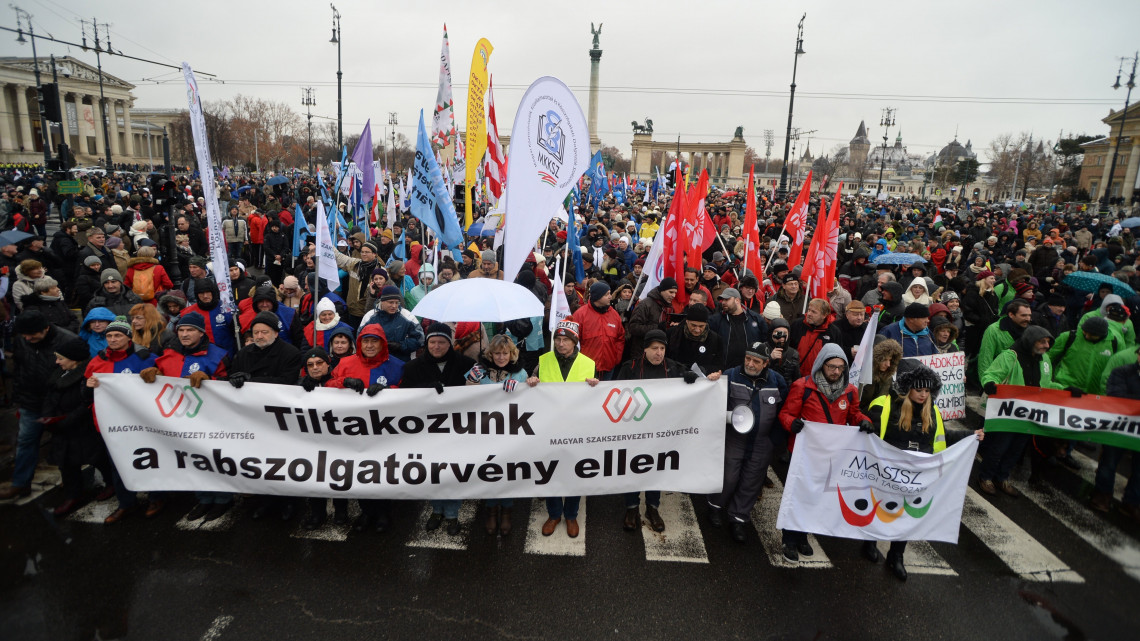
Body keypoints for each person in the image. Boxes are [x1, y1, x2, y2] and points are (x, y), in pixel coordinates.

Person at [864, 361, 984, 581]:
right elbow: (867, 426)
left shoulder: (933, 410)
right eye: (919, 390)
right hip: (887, 471)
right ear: (907, 387)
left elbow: (943, 437)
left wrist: (970, 435)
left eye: (927, 390)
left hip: (916, 475)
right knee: (878, 507)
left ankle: (896, 556)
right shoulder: (884, 404)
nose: (923, 395)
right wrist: (866, 424)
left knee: (906, 514)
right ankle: (869, 542)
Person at [777, 343, 871, 561]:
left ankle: (803, 536)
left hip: (831, 456)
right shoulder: (803, 386)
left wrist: (864, 421)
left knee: (817, 497)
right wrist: (792, 424)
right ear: (821, 364)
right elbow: (785, 414)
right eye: (831, 367)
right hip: (803, 454)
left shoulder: (850, 391)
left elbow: (854, 414)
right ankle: (789, 539)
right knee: (798, 496)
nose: (836, 371)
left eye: (840, 367)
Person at [613, 329, 709, 533]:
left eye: (662, 348)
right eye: (654, 348)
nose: (659, 353)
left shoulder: (673, 368)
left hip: (661, 434)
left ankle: (652, 508)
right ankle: (631, 508)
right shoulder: (629, 368)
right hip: (634, 432)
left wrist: (693, 379)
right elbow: (613, 395)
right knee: (632, 469)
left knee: (655, 470)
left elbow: (699, 385)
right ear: (645, 349)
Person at [141, 312, 232, 521]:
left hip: (211, 420)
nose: (184, 334)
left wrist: (211, 380)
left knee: (214, 460)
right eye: (181, 330)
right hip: (180, 420)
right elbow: (161, 377)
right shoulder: (169, 353)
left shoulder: (218, 355)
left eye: (189, 330)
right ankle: (203, 499)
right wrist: (153, 373)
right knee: (193, 460)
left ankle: (222, 500)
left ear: (201, 333)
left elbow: (229, 387)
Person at [325, 324, 406, 532]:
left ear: (382, 343)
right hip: (353, 430)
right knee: (359, 471)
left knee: (382, 472)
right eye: (366, 341)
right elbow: (327, 386)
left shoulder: (397, 365)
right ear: (359, 343)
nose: (369, 345)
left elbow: (408, 393)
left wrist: (390, 390)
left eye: (374, 341)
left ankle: (383, 513)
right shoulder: (345, 363)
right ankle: (366, 511)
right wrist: (344, 381)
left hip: (384, 431)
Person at [526, 320, 600, 538]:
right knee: (550, 473)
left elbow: (596, 398)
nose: (560, 344)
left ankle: (571, 514)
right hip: (549, 429)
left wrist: (596, 385)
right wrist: (531, 381)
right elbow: (533, 384)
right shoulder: (543, 361)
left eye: (565, 340)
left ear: (574, 342)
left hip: (577, 430)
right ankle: (554, 513)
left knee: (575, 473)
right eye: (557, 339)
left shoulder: (589, 363)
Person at [227, 312, 304, 521]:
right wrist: (235, 379)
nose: (259, 336)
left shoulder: (290, 353)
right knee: (261, 462)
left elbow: (286, 383)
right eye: (256, 332)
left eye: (264, 332)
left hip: (281, 418)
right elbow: (232, 378)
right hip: (253, 419)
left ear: (276, 333)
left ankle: (289, 501)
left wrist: (252, 380)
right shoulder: (243, 354)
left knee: (283, 462)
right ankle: (266, 500)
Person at [707, 343, 786, 543]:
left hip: (762, 441)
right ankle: (715, 507)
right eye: (747, 359)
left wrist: (773, 439)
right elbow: (714, 403)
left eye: (756, 361)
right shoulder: (731, 376)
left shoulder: (777, 382)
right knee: (729, 476)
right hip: (735, 438)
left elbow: (784, 411)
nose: (750, 364)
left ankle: (738, 518)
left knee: (751, 481)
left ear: (766, 363)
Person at [84, 316, 159, 523]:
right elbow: (85, 394)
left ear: (128, 338)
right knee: (118, 464)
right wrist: (88, 386)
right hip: (113, 424)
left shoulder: (145, 357)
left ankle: (156, 497)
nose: (112, 339)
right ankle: (126, 503)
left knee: (150, 460)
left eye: (117, 335)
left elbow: (160, 384)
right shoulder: (98, 360)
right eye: (109, 335)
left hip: (142, 422)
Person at [401, 323, 474, 535]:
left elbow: (482, 387)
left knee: (452, 472)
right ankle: (436, 509)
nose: (436, 346)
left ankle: (452, 513)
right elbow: (403, 395)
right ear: (426, 343)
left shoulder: (465, 363)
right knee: (433, 472)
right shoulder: (413, 367)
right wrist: (426, 389)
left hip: (457, 429)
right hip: (427, 431)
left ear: (450, 343)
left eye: (442, 342)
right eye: (432, 342)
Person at [0, 311, 79, 500]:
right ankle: (21, 483)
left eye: (32, 334)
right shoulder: (22, 340)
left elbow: (77, 372)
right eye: (24, 335)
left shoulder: (68, 341)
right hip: (31, 402)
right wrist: (19, 396)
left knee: (66, 443)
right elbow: (19, 369)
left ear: (45, 328)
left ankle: (72, 483)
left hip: (60, 403)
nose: (28, 338)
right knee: (26, 441)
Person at [980, 325, 1062, 496]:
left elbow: (1047, 385)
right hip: (1008, 413)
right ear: (1030, 341)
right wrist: (989, 384)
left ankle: (1002, 477)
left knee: (1016, 450)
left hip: (1029, 415)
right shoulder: (1010, 356)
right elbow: (991, 374)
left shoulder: (1045, 360)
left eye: (1048, 342)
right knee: (999, 447)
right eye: (1042, 341)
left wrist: (1067, 390)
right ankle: (986, 477)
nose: (1046, 346)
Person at [41, 336, 116, 516]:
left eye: (61, 358)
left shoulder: (88, 375)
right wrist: (49, 417)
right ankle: (73, 495)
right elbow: (50, 397)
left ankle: (112, 483)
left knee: (97, 458)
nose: (57, 362)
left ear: (74, 359)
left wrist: (67, 420)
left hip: (83, 427)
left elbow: (87, 402)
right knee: (66, 464)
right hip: (62, 428)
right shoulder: (58, 375)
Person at [465, 334, 530, 536]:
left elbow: (530, 400)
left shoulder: (519, 373)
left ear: (512, 354)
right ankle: (492, 510)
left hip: (510, 431)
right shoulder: (479, 371)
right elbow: (464, 397)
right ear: (490, 354)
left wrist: (522, 388)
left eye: (505, 353)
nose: (501, 357)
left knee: (507, 471)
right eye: (497, 353)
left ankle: (507, 511)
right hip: (485, 431)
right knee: (490, 470)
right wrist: (471, 381)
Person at [296, 347, 350, 529]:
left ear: (328, 364)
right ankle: (317, 513)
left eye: (319, 363)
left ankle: (341, 510)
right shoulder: (298, 387)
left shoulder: (339, 384)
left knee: (339, 473)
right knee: (315, 477)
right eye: (310, 365)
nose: (315, 368)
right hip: (312, 441)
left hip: (337, 439)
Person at [1095, 349, 1140, 522]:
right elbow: (1116, 397)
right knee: (1109, 462)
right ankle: (1102, 494)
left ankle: (1132, 502)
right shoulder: (1122, 372)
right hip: (1119, 429)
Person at [571, 282, 626, 379]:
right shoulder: (580, 315)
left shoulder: (614, 315)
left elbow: (620, 337)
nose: (610, 297)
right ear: (597, 296)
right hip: (586, 368)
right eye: (606, 294)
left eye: (610, 293)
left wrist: (616, 358)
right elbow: (572, 340)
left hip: (608, 368)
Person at [359, 285, 424, 362]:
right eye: (391, 302)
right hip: (375, 362)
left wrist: (400, 346)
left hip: (400, 361)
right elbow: (360, 339)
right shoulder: (369, 317)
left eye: (397, 303)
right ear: (382, 301)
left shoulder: (408, 316)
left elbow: (420, 339)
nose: (394, 306)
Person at [709, 287, 768, 371]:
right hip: (724, 370)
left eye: (727, 299)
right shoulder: (715, 320)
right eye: (722, 300)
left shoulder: (756, 319)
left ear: (737, 300)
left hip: (750, 369)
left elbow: (765, 341)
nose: (723, 303)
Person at [977, 299, 1033, 376]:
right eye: (1023, 315)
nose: (1028, 319)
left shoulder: (1031, 331)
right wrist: (986, 382)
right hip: (1000, 378)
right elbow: (985, 358)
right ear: (1011, 315)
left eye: (1029, 315)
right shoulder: (993, 330)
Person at [788, 298, 842, 376]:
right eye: (809, 310)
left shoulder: (834, 332)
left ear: (824, 315)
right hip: (795, 375)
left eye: (814, 312)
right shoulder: (797, 325)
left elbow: (836, 357)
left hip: (818, 377)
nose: (809, 314)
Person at [665, 304, 724, 374]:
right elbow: (665, 360)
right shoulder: (672, 335)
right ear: (687, 322)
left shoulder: (715, 340)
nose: (697, 330)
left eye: (701, 326)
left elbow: (719, 365)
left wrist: (704, 369)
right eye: (693, 325)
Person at [859, 337, 903, 412]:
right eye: (884, 360)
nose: (888, 364)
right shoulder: (860, 375)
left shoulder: (888, 377)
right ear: (875, 358)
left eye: (890, 360)